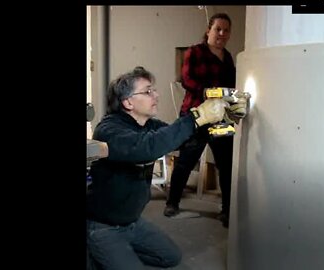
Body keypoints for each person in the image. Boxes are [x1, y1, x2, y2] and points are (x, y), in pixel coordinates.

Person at [86, 66, 229, 270]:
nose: (156, 95)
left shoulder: (149, 125)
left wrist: (216, 125)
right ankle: (98, 253)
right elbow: (146, 148)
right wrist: (196, 116)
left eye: (153, 90)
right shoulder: (109, 131)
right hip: (103, 226)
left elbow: (179, 140)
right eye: (148, 91)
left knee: (171, 257)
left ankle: (116, 254)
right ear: (128, 102)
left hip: (132, 221)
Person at [164, 13, 248, 228]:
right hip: (197, 116)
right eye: (218, 29)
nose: (222, 33)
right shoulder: (195, 52)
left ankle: (227, 211)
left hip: (221, 118)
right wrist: (211, 93)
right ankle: (172, 203)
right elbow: (187, 80)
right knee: (186, 161)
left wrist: (237, 96)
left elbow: (232, 85)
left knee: (226, 163)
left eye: (226, 30)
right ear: (209, 30)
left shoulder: (227, 57)